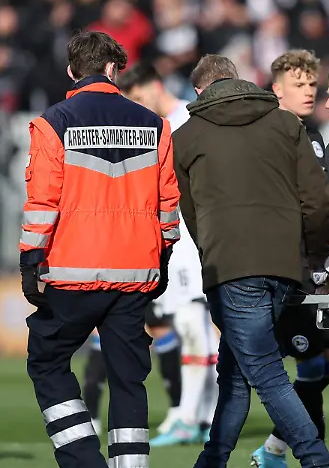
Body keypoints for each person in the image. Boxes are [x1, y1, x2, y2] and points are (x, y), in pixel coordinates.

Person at [20, 31, 181, 468]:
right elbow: (169, 207)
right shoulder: (155, 125)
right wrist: (162, 258)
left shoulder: (53, 122)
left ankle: (84, 460)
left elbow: (42, 204)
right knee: (129, 380)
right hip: (134, 275)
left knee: (48, 363)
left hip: (72, 273)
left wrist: (30, 261)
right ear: (115, 69)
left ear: (72, 72)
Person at [173, 54, 329, 468]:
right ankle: (212, 460)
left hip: (230, 266)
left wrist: (212, 253)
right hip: (284, 266)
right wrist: (313, 254)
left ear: (198, 91)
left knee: (263, 372)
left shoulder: (186, 136)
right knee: (236, 370)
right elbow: (317, 200)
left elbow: (188, 211)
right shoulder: (285, 124)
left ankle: (318, 461)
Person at [120, 64, 219, 446]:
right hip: (174, 239)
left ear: (153, 87)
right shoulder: (160, 125)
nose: (140, 108)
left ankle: (190, 415)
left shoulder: (184, 122)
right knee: (192, 328)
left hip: (191, 238)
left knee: (196, 326)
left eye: (141, 99)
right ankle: (201, 416)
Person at [253, 50, 329, 468]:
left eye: (311, 84)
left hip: (310, 267)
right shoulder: (273, 135)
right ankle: (275, 450)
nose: (309, 92)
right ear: (277, 90)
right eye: (299, 85)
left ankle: (280, 449)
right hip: (282, 267)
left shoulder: (313, 136)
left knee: (316, 363)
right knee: (300, 364)